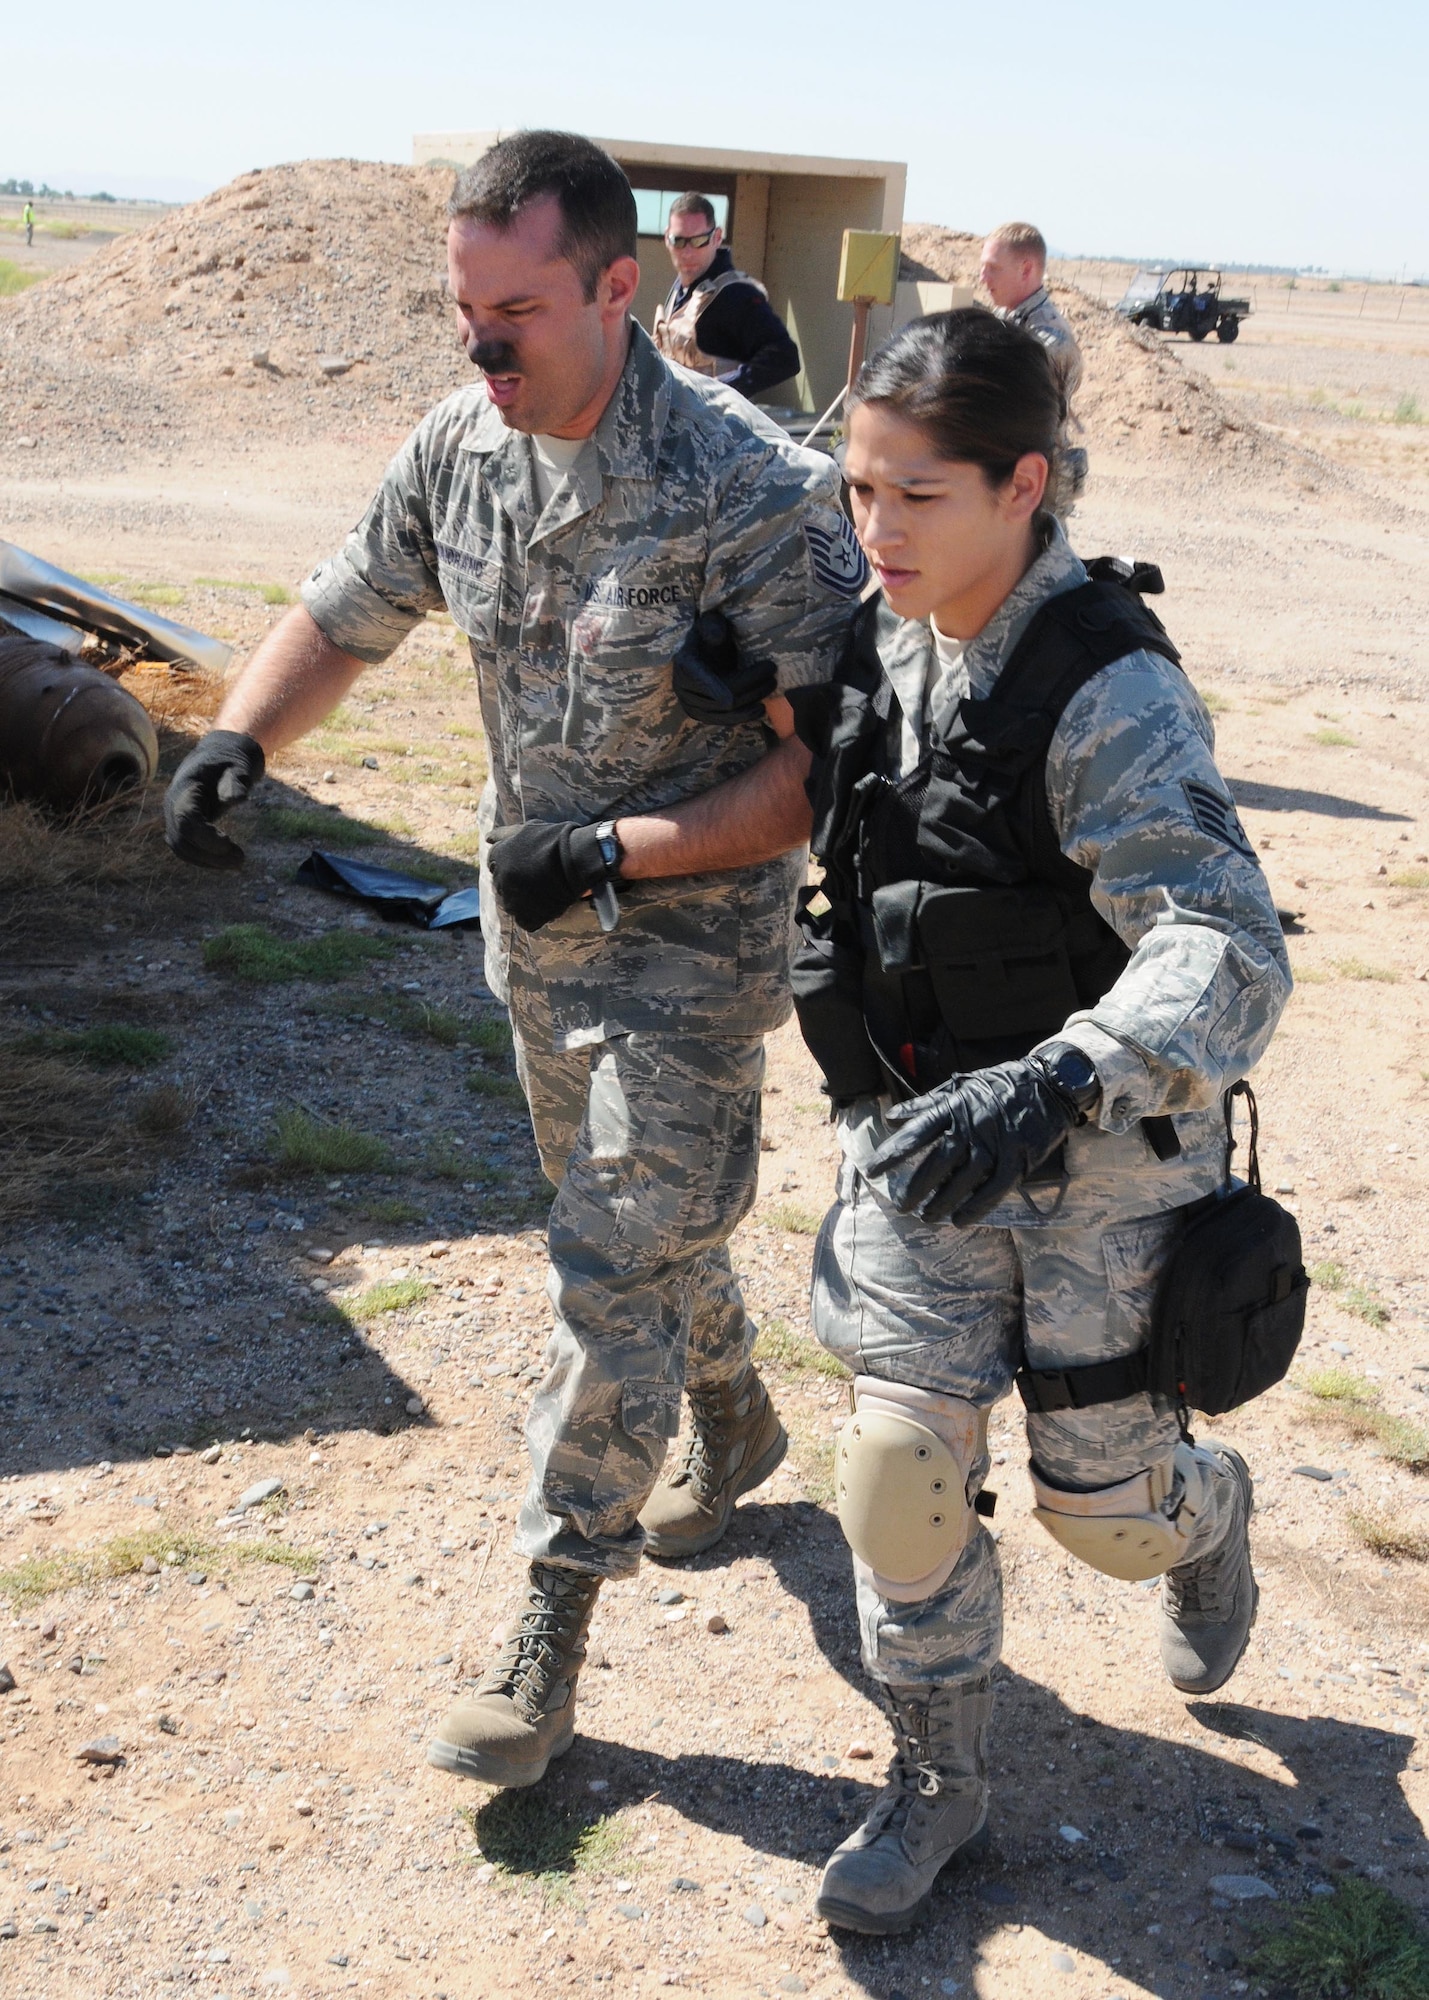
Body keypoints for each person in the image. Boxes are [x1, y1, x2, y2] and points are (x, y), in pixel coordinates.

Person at [162, 130, 867, 1792]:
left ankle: (550, 1612)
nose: (478, 345)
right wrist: (239, 745)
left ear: (620, 290)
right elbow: (347, 609)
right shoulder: (457, 448)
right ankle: (737, 1410)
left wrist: (619, 851)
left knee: (607, 1251)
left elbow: (816, 771)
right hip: (535, 950)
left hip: (688, 944)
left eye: (516, 312)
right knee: (629, 1229)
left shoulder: (747, 491)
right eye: (461, 307)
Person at [787, 308, 1291, 1935]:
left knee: (1102, 1517)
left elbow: (1222, 940)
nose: (875, 528)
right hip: (927, 1138)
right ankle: (935, 1781)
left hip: (1094, 1150)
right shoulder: (877, 635)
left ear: (1021, 486)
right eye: (857, 489)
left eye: (913, 496)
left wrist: (1061, 1073)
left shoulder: (1104, 684)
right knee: (892, 1477)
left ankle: (1201, 1523)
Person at [979, 221, 1086, 515]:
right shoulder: (1007, 319)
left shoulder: (1048, 341)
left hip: (1036, 489)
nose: (982, 278)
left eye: (993, 268)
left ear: (1026, 270)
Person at [652, 192, 800, 402]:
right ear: (667, 238)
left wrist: (720, 390)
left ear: (717, 237)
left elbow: (785, 356)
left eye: (699, 241)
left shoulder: (736, 294)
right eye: (678, 241)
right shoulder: (680, 289)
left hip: (720, 426)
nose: (687, 252)